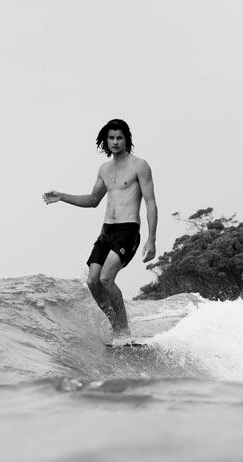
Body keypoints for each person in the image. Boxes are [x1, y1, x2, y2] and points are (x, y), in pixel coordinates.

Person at [43, 118, 157, 339]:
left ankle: (124, 329)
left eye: (119, 138)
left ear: (127, 140)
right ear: (106, 141)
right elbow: (93, 199)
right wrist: (62, 196)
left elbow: (151, 203)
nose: (115, 142)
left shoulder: (139, 166)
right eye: (111, 138)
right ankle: (115, 326)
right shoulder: (104, 169)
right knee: (93, 282)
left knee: (106, 279)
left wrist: (151, 238)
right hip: (106, 232)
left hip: (128, 231)